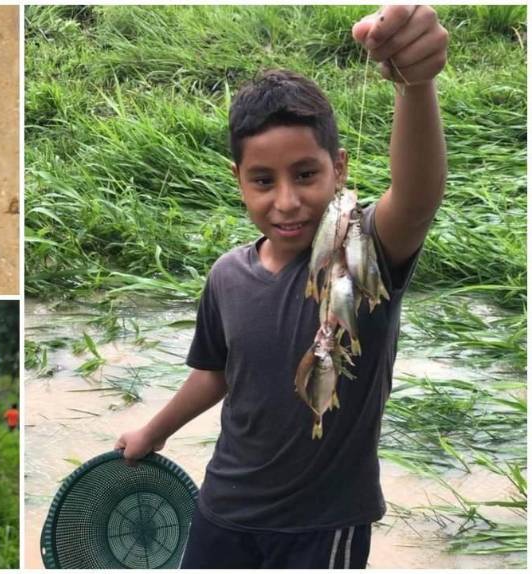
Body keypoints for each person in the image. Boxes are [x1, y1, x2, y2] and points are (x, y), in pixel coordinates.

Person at [115, 6, 448, 569]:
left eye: (307, 174)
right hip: (222, 509)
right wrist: (152, 431)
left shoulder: (363, 249)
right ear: (238, 182)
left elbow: (416, 197)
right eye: (264, 181)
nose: (287, 201)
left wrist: (415, 86)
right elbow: (215, 374)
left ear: (338, 169)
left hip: (321, 526)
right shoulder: (226, 276)